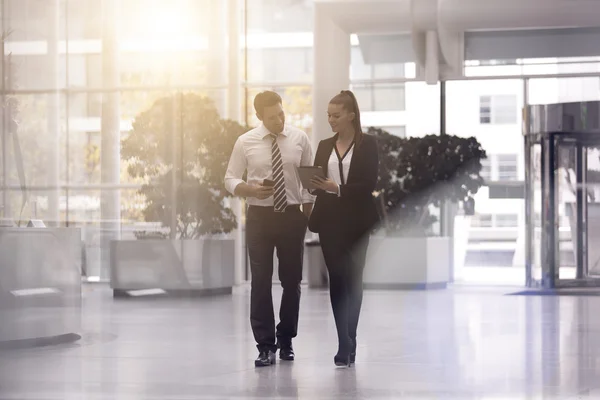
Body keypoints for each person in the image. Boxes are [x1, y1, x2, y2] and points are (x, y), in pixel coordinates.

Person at [224, 91, 314, 367]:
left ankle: (286, 340)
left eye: (281, 113)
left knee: (291, 281)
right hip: (259, 217)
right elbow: (229, 178)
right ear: (260, 116)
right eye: (272, 116)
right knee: (260, 282)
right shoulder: (246, 142)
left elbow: (310, 183)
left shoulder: (299, 139)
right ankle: (265, 346)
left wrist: (308, 218)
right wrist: (248, 189)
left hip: (291, 216)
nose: (279, 120)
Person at [308, 90, 379, 367]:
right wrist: (314, 184)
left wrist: (337, 188)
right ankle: (343, 342)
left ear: (351, 115)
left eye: (336, 115)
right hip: (329, 221)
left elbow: (369, 184)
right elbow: (317, 179)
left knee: (354, 278)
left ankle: (352, 336)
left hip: (358, 221)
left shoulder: (368, 144)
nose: (331, 120)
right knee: (337, 277)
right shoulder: (325, 145)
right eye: (328, 115)